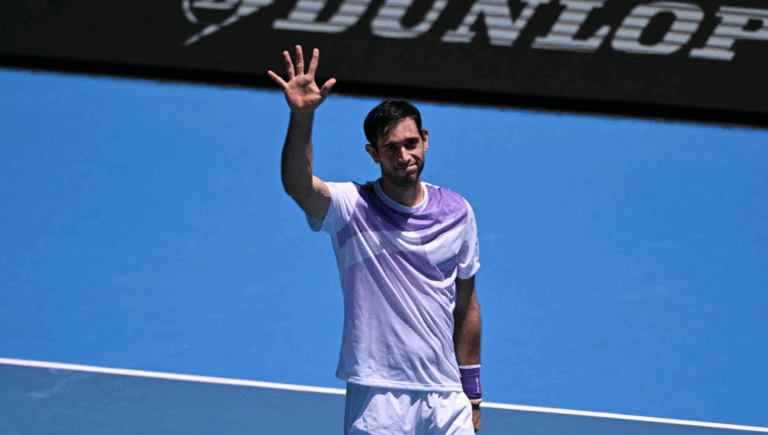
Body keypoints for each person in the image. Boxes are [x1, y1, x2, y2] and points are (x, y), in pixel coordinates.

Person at [269, 45, 483, 434]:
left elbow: (466, 306)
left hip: (446, 393)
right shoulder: (352, 207)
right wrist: (302, 117)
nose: (404, 156)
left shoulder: (458, 212)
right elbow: (298, 185)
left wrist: (472, 393)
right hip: (378, 395)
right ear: (374, 153)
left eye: (410, 143)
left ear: (425, 139)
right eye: (391, 148)